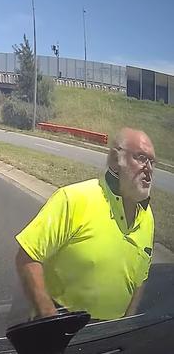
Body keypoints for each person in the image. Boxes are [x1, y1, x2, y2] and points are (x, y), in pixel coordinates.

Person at [14, 128, 156, 321]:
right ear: (116, 160)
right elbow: (27, 258)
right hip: (63, 325)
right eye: (140, 157)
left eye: (152, 161)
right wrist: (50, 319)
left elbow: (140, 280)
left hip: (113, 335)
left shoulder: (148, 217)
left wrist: (126, 326)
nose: (148, 168)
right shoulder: (73, 199)